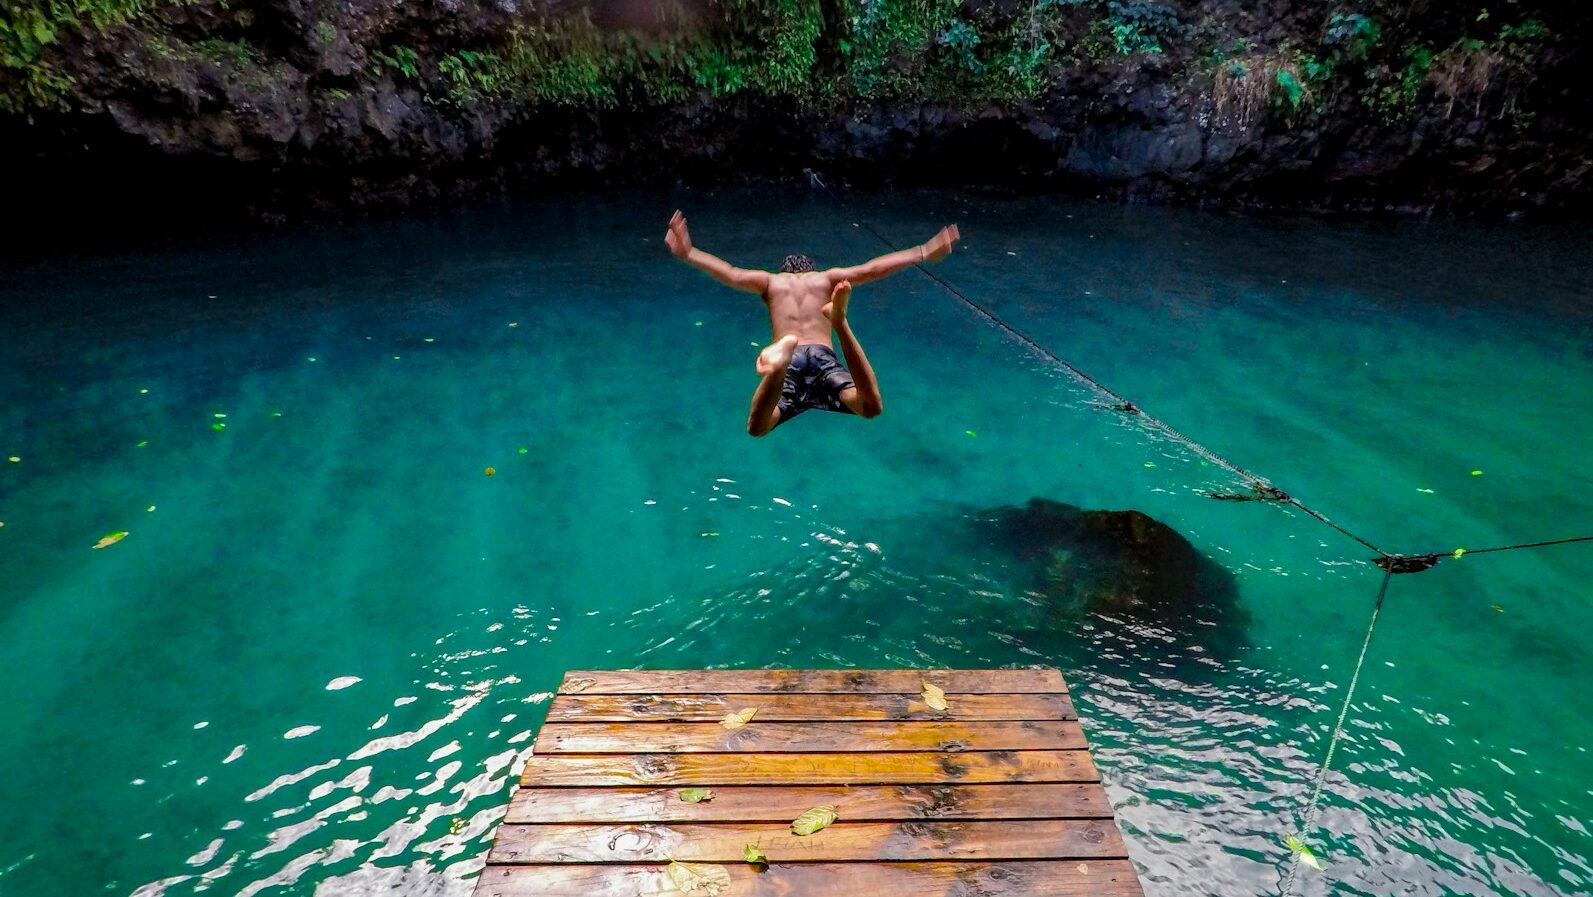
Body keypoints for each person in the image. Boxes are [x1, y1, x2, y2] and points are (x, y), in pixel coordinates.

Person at [665, 209, 960, 436]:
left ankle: (777, 367)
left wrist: (689, 252)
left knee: (758, 427)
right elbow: (871, 269)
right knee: (870, 408)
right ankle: (839, 321)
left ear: (783, 271)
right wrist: (921, 251)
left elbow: (729, 272)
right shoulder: (825, 278)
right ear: (810, 270)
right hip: (822, 357)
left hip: (791, 358)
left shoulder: (770, 282)